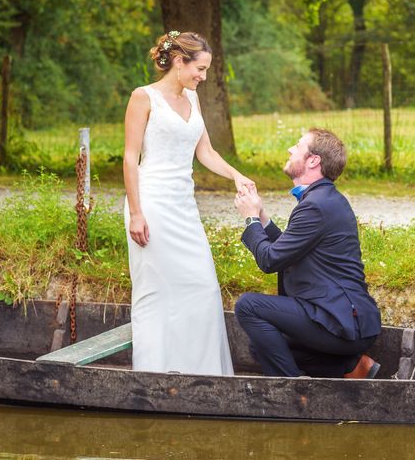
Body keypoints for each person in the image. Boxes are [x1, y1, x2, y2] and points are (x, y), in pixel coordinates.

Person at [123, 31, 252, 375]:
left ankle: (203, 374)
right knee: (157, 291)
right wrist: (136, 213)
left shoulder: (192, 100)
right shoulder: (143, 97)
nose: (204, 77)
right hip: (151, 203)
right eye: (201, 69)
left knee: (203, 287)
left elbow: (205, 151)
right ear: (179, 62)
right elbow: (129, 157)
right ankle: (153, 373)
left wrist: (236, 175)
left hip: (183, 207)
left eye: (207, 70)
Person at [233, 128, 382, 378]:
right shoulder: (322, 200)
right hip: (345, 320)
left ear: (313, 160)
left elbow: (270, 260)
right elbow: (286, 250)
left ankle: (292, 392)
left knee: (248, 306)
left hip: (342, 322)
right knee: (260, 347)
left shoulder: (315, 205)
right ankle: (352, 367)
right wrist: (261, 216)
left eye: (298, 145)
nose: (291, 149)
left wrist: (250, 220)